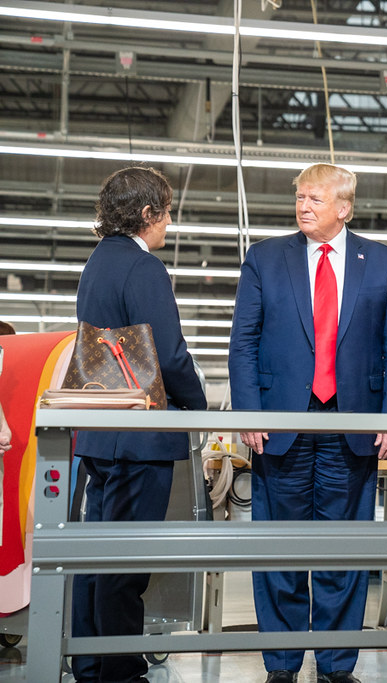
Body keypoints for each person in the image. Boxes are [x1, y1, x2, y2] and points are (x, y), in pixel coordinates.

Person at [228, 163, 387, 683]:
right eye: (300, 197)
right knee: (279, 550)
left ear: (344, 208)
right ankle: (282, 664)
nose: (303, 206)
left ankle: (336, 665)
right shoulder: (265, 259)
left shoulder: (383, 263)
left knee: (344, 551)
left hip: (350, 426)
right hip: (280, 425)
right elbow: (243, 342)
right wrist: (248, 411)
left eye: (315, 198)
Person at [71, 167, 207, 683]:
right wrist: (198, 405)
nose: (168, 223)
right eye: (166, 213)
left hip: (100, 433)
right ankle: (121, 670)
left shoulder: (97, 263)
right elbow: (168, 354)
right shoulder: (144, 267)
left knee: (95, 559)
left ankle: (90, 663)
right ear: (147, 213)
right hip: (139, 437)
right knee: (126, 563)